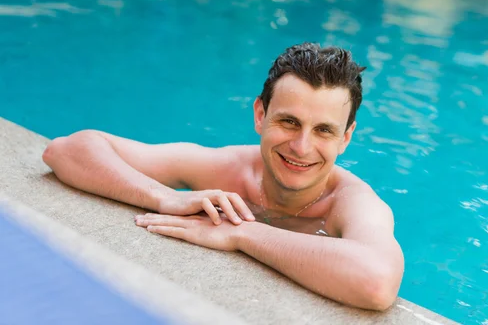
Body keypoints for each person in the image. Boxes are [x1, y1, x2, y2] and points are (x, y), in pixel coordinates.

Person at [42, 42, 404, 311]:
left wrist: (243, 234)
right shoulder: (227, 168)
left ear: (346, 137)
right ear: (260, 115)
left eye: (324, 130)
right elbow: (67, 150)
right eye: (289, 122)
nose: (302, 147)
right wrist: (165, 196)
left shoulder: (352, 203)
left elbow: (376, 283)